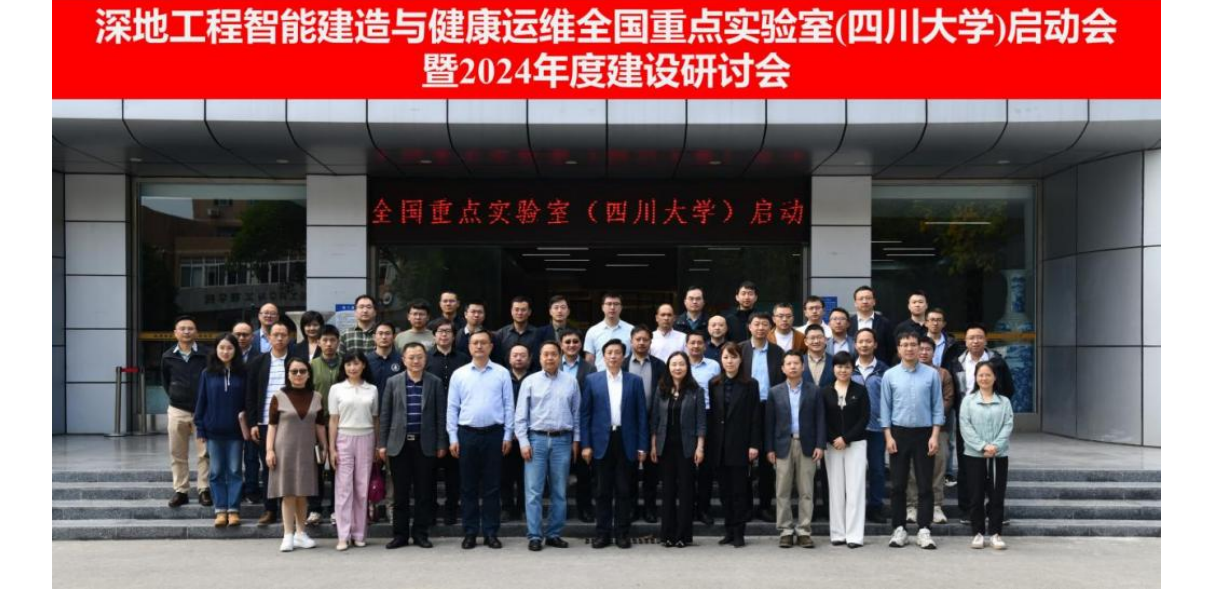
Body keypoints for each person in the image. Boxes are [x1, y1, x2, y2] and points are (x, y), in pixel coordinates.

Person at [446, 329, 515, 550]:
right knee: (468, 487)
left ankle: (491, 532)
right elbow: (452, 408)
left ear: (491, 347)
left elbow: (509, 406)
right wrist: (453, 437)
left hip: (494, 434)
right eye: (475, 343)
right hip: (467, 435)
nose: (479, 346)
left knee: (492, 487)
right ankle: (470, 532)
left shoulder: (502, 373)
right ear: (469, 347)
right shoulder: (459, 374)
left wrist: (508, 434)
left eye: (483, 343)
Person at [379, 342, 448, 550]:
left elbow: (440, 415)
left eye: (419, 357)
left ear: (426, 359)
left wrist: (441, 442)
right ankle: (400, 535)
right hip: (399, 445)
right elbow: (385, 414)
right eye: (411, 357)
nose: (415, 361)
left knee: (423, 492)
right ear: (403, 360)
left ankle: (420, 534)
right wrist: (382, 444)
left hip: (425, 444)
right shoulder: (393, 382)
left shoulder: (434, 382)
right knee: (400, 493)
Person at [514, 340, 582, 551]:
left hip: (563, 440)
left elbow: (577, 414)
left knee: (559, 491)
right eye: (546, 354)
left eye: (554, 354)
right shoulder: (530, 381)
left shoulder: (571, 381)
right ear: (540, 357)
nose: (550, 358)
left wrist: (576, 440)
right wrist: (523, 442)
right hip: (537, 440)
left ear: (560, 356)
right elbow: (520, 416)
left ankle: (554, 534)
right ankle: (534, 535)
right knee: (533, 491)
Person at [581, 339, 648, 549]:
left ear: (623, 356)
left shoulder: (634, 381)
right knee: (602, 490)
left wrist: (642, 446)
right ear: (603, 356)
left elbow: (641, 416)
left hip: (626, 440)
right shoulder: (592, 380)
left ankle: (622, 533)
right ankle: (602, 533)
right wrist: (586, 444)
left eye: (617, 352)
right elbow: (585, 415)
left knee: (624, 489)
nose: (613, 356)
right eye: (609, 352)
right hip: (601, 441)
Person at [882, 331, 944, 550]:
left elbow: (937, 407)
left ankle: (924, 529)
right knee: (898, 485)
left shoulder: (931, 375)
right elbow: (885, 408)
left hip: (925, 434)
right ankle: (899, 528)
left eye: (913, 344)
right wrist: (888, 436)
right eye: (905, 345)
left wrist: (935, 435)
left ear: (920, 348)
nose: (909, 348)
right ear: (898, 349)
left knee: (925, 484)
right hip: (898, 433)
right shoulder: (889, 375)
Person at [948, 322, 1014, 517]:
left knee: (994, 466)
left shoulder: (997, 362)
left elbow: (1008, 388)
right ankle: (968, 510)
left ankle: (994, 509)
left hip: (993, 417)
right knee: (966, 465)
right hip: (967, 418)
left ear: (986, 340)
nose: (975, 341)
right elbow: (953, 392)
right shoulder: (957, 362)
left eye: (979, 337)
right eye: (971, 338)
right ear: (965, 341)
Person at [266, 357, 329, 552]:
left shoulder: (316, 397)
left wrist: (325, 446)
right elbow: (272, 426)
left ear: (309, 374)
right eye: (294, 371)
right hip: (284, 450)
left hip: (307, 450)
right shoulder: (278, 396)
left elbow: (320, 425)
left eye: (302, 371)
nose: (299, 375)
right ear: (288, 374)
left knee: (303, 493)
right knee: (288, 493)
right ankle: (288, 534)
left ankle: (301, 533)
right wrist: (269, 450)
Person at [764, 351, 825, 549]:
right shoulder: (775, 392)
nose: (792, 367)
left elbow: (820, 419)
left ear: (803, 366)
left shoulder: (814, 391)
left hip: (807, 444)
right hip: (783, 445)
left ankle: (804, 530)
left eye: (796, 363)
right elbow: (769, 422)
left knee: (806, 490)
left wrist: (820, 444)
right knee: (782, 490)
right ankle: (786, 530)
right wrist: (769, 448)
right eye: (788, 364)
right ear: (783, 368)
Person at [705, 343, 761, 548]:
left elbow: (755, 416)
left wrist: (754, 444)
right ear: (721, 360)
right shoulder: (714, 383)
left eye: (733, 357)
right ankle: (729, 530)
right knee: (725, 492)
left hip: (740, 444)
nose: (729, 361)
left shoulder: (750, 384)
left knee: (739, 492)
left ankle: (739, 533)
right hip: (719, 445)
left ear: (740, 359)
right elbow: (713, 416)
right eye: (726, 357)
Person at [650, 351, 706, 548]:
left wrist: (700, 447)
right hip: (665, 447)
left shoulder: (696, 391)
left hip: (687, 447)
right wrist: (653, 445)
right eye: (674, 364)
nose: (677, 368)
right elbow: (655, 419)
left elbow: (701, 422)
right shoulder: (661, 389)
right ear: (668, 367)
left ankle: (683, 535)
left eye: (681, 364)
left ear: (687, 367)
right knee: (668, 491)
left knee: (686, 491)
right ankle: (667, 535)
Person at [960, 360, 1015, 551]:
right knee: (975, 495)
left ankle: (995, 533)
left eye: (988, 375)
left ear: (994, 377)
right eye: (980, 375)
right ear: (976, 378)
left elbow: (1008, 425)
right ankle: (977, 533)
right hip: (974, 455)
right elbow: (965, 427)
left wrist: (995, 446)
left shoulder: (1004, 402)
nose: (984, 378)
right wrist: (983, 446)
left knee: (996, 496)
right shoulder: (968, 401)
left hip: (998, 455)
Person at [328, 351, 380, 550]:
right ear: (344, 367)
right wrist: (332, 448)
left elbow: (375, 419)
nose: (352, 368)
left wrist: (377, 445)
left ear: (363, 365)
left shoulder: (372, 389)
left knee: (361, 488)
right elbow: (333, 419)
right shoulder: (336, 389)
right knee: (343, 488)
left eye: (356, 364)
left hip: (366, 438)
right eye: (349, 364)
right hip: (344, 438)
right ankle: (343, 535)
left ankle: (359, 533)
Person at [193, 333, 247, 526]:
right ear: (215, 350)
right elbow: (201, 401)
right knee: (216, 471)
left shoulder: (243, 373)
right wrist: (200, 427)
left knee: (234, 471)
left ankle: (233, 510)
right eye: (222, 348)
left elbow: (247, 401)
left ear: (235, 350)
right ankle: (220, 510)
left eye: (229, 348)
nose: (225, 351)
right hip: (213, 432)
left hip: (236, 432)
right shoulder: (207, 373)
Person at [245, 319, 294, 525]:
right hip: (265, 422)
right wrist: (253, 423)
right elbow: (250, 395)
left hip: (291, 423)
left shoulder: (295, 362)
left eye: (283, 335)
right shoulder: (258, 362)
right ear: (269, 337)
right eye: (276, 335)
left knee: (290, 466)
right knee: (269, 466)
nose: (280, 338)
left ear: (289, 338)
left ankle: (289, 509)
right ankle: (270, 509)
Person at [905, 336, 956, 525]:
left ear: (934, 352)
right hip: (912, 428)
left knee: (938, 466)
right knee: (911, 467)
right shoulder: (906, 372)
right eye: (921, 348)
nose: (924, 352)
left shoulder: (943, 374)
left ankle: (936, 505)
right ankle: (912, 505)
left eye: (928, 349)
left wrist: (931, 417)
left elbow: (948, 399)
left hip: (938, 428)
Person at [162, 315, 212, 509]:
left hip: (202, 410)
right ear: (175, 333)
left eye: (190, 328)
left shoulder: (207, 354)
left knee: (204, 453)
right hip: (177, 410)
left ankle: (204, 489)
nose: (186, 331)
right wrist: (177, 395)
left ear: (196, 332)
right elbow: (166, 382)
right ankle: (181, 490)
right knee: (177, 452)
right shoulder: (168, 356)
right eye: (182, 328)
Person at [821, 351, 870, 548]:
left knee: (855, 489)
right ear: (833, 368)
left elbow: (864, 418)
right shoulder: (825, 391)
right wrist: (834, 438)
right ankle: (838, 533)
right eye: (840, 366)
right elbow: (822, 418)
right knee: (836, 489)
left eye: (847, 367)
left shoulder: (860, 390)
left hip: (856, 443)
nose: (843, 370)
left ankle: (854, 535)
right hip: (832, 445)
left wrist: (846, 438)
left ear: (852, 369)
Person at [740, 311, 784, 522]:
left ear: (770, 327)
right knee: (744, 459)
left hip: (770, 407)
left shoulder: (778, 352)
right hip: (745, 408)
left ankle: (765, 505)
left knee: (768, 458)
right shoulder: (740, 349)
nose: (760, 328)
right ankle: (746, 505)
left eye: (764, 324)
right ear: (749, 327)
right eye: (756, 324)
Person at [426, 320, 470, 525]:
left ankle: (451, 510)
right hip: (431, 420)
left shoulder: (464, 359)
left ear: (454, 335)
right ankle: (431, 511)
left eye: (448, 331)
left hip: (459, 419)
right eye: (440, 331)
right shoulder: (426, 358)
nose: (444, 335)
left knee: (455, 471)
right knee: (430, 470)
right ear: (434, 335)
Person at [627, 326, 667, 523]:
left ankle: (650, 508)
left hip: (653, 421)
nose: (641, 343)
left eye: (645, 339)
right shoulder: (623, 364)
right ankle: (632, 508)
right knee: (630, 469)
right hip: (629, 423)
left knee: (652, 469)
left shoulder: (660, 365)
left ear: (651, 342)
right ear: (631, 341)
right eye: (638, 339)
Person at [558, 328, 597, 523]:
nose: (571, 345)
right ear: (561, 345)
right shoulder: (553, 364)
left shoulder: (590, 368)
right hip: (559, 424)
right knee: (558, 472)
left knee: (584, 472)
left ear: (581, 345)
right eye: (567, 342)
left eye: (575, 341)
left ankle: (585, 509)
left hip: (582, 423)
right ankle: (560, 510)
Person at [852, 328, 891, 524]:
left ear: (875, 344)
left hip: (877, 428)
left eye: (868, 341)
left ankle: (875, 507)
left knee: (877, 469)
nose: (864, 345)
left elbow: (890, 399)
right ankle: (856, 508)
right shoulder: (849, 367)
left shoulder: (884, 369)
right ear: (855, 345)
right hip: (854, 429)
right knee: (855, 471)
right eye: (861, 341)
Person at [306, 324, 342, 525]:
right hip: (317, 423)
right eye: (325, 340)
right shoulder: (312, 365)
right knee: (316, 466)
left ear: (338, 342)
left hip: (341, 423)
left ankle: (337, 508)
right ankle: (315, 508)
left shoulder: (346, 363)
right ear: (318, 342)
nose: (328, 344)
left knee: (338, 466)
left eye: (332, 340)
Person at [685, 330, 721, 525]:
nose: (696, 346)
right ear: (686, 345)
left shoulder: (714, 365)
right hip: (685, 416)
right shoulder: (680, 364)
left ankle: (703, 509)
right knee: (687, 467)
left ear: (705, 346)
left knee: (706, 467)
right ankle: (688, 508)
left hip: (708, 415)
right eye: (692, 343)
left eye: (699, 343)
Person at [500, 344, 532, 521]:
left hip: (529, 435)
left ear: (529, 359)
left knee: (525, 475)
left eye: (522, 355)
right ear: (509, 358)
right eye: (515, 355)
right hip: (505, 434)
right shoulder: (502, 378)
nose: (518, 358)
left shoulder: (535, 378)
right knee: (505, 474)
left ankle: (522, 507)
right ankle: (506, 507)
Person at [583, 292, 635, 371]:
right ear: (602, 307)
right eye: (609, 304)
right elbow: (589, 360)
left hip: (624, 376)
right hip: (599, 376)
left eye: (616, 304)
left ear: (621, 307)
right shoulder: (592, 331)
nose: (612, 307)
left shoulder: (631, 330)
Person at [849, 286, 897, 365]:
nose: (865, 301)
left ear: (874, 301)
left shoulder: (885, 323)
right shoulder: (848, 323)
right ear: (855, 303)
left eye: (868, 298)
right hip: (853, 367)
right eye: (861, 299)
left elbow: (891, 349)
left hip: (879, 368)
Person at [496, 297, 541, 369]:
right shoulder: (501, 334)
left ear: (529, 312)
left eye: (523, 310)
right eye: (516, 310)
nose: (520, 313)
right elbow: (497, 358)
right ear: (511, 311)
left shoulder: (538, 334)